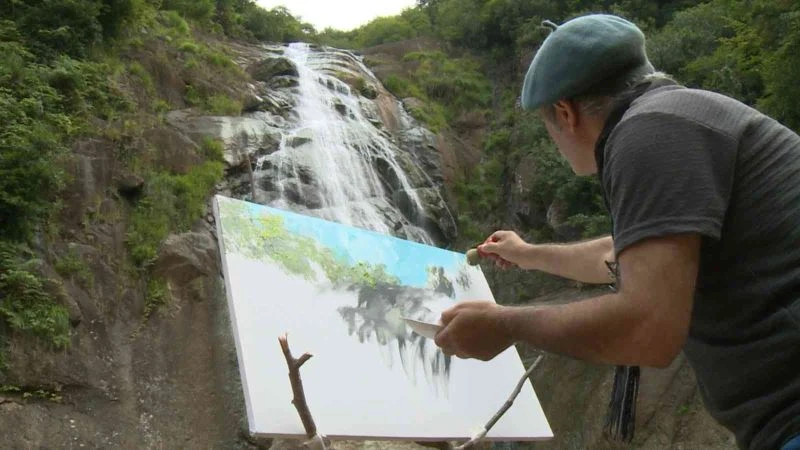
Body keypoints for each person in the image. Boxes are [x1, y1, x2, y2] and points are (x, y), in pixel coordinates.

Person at [433, 13, 800, 450]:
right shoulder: (678, 117)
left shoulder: (650, 133)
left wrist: (505, 324)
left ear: (565, 112)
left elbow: (648, 327)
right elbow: (626, 255)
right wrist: (527, 253)